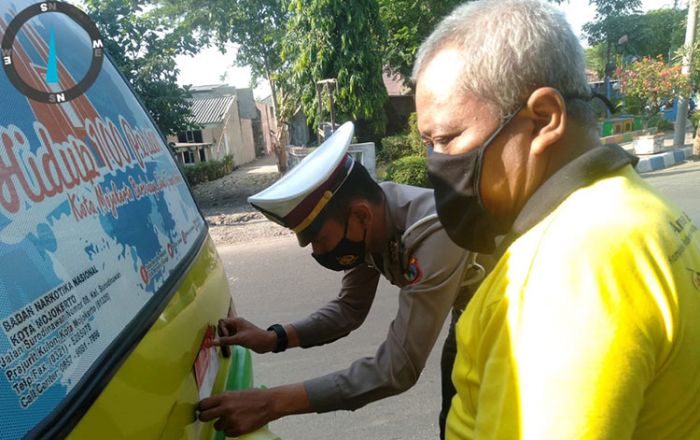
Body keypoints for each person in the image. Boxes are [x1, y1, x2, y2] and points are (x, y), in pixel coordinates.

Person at [412, 1, 700, 439]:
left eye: (448, 139)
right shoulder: (644, 210)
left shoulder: (565, 269)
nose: (436, 163)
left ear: (544, 119)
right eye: (427, 143)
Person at [198, 122, 489, 438]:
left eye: (320, 238)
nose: (319, 252)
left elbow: (398, 367)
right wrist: (275, 338)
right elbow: (349, 309)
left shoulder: (432, 232)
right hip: (470, 316)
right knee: (455, 420)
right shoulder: (372, 226)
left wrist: (272, 403)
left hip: (513, 317)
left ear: (361, 216)